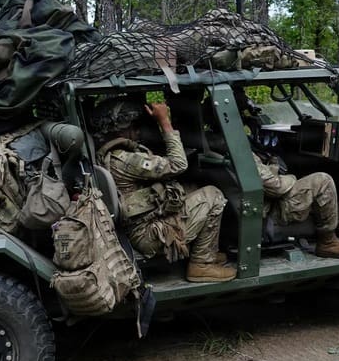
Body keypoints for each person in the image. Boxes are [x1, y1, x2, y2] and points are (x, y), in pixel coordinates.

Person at [91, 99, 236, 283]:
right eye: (135, 127)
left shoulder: (107, 154)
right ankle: (202, 265)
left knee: (193, 189)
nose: (138, 132)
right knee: (213, 195)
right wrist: (164, 122)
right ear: (121, 130)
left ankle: (207, 252)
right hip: (149, 234)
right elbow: (178, 164)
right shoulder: (128, 160)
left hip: (137, 226)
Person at [254, 153, 339, 259]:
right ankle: (328, 243)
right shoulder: (241, 150)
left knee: (316, 195)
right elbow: (276, 186)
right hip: (271, 209)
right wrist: (291, 177)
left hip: (263, 203)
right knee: (322, 182)